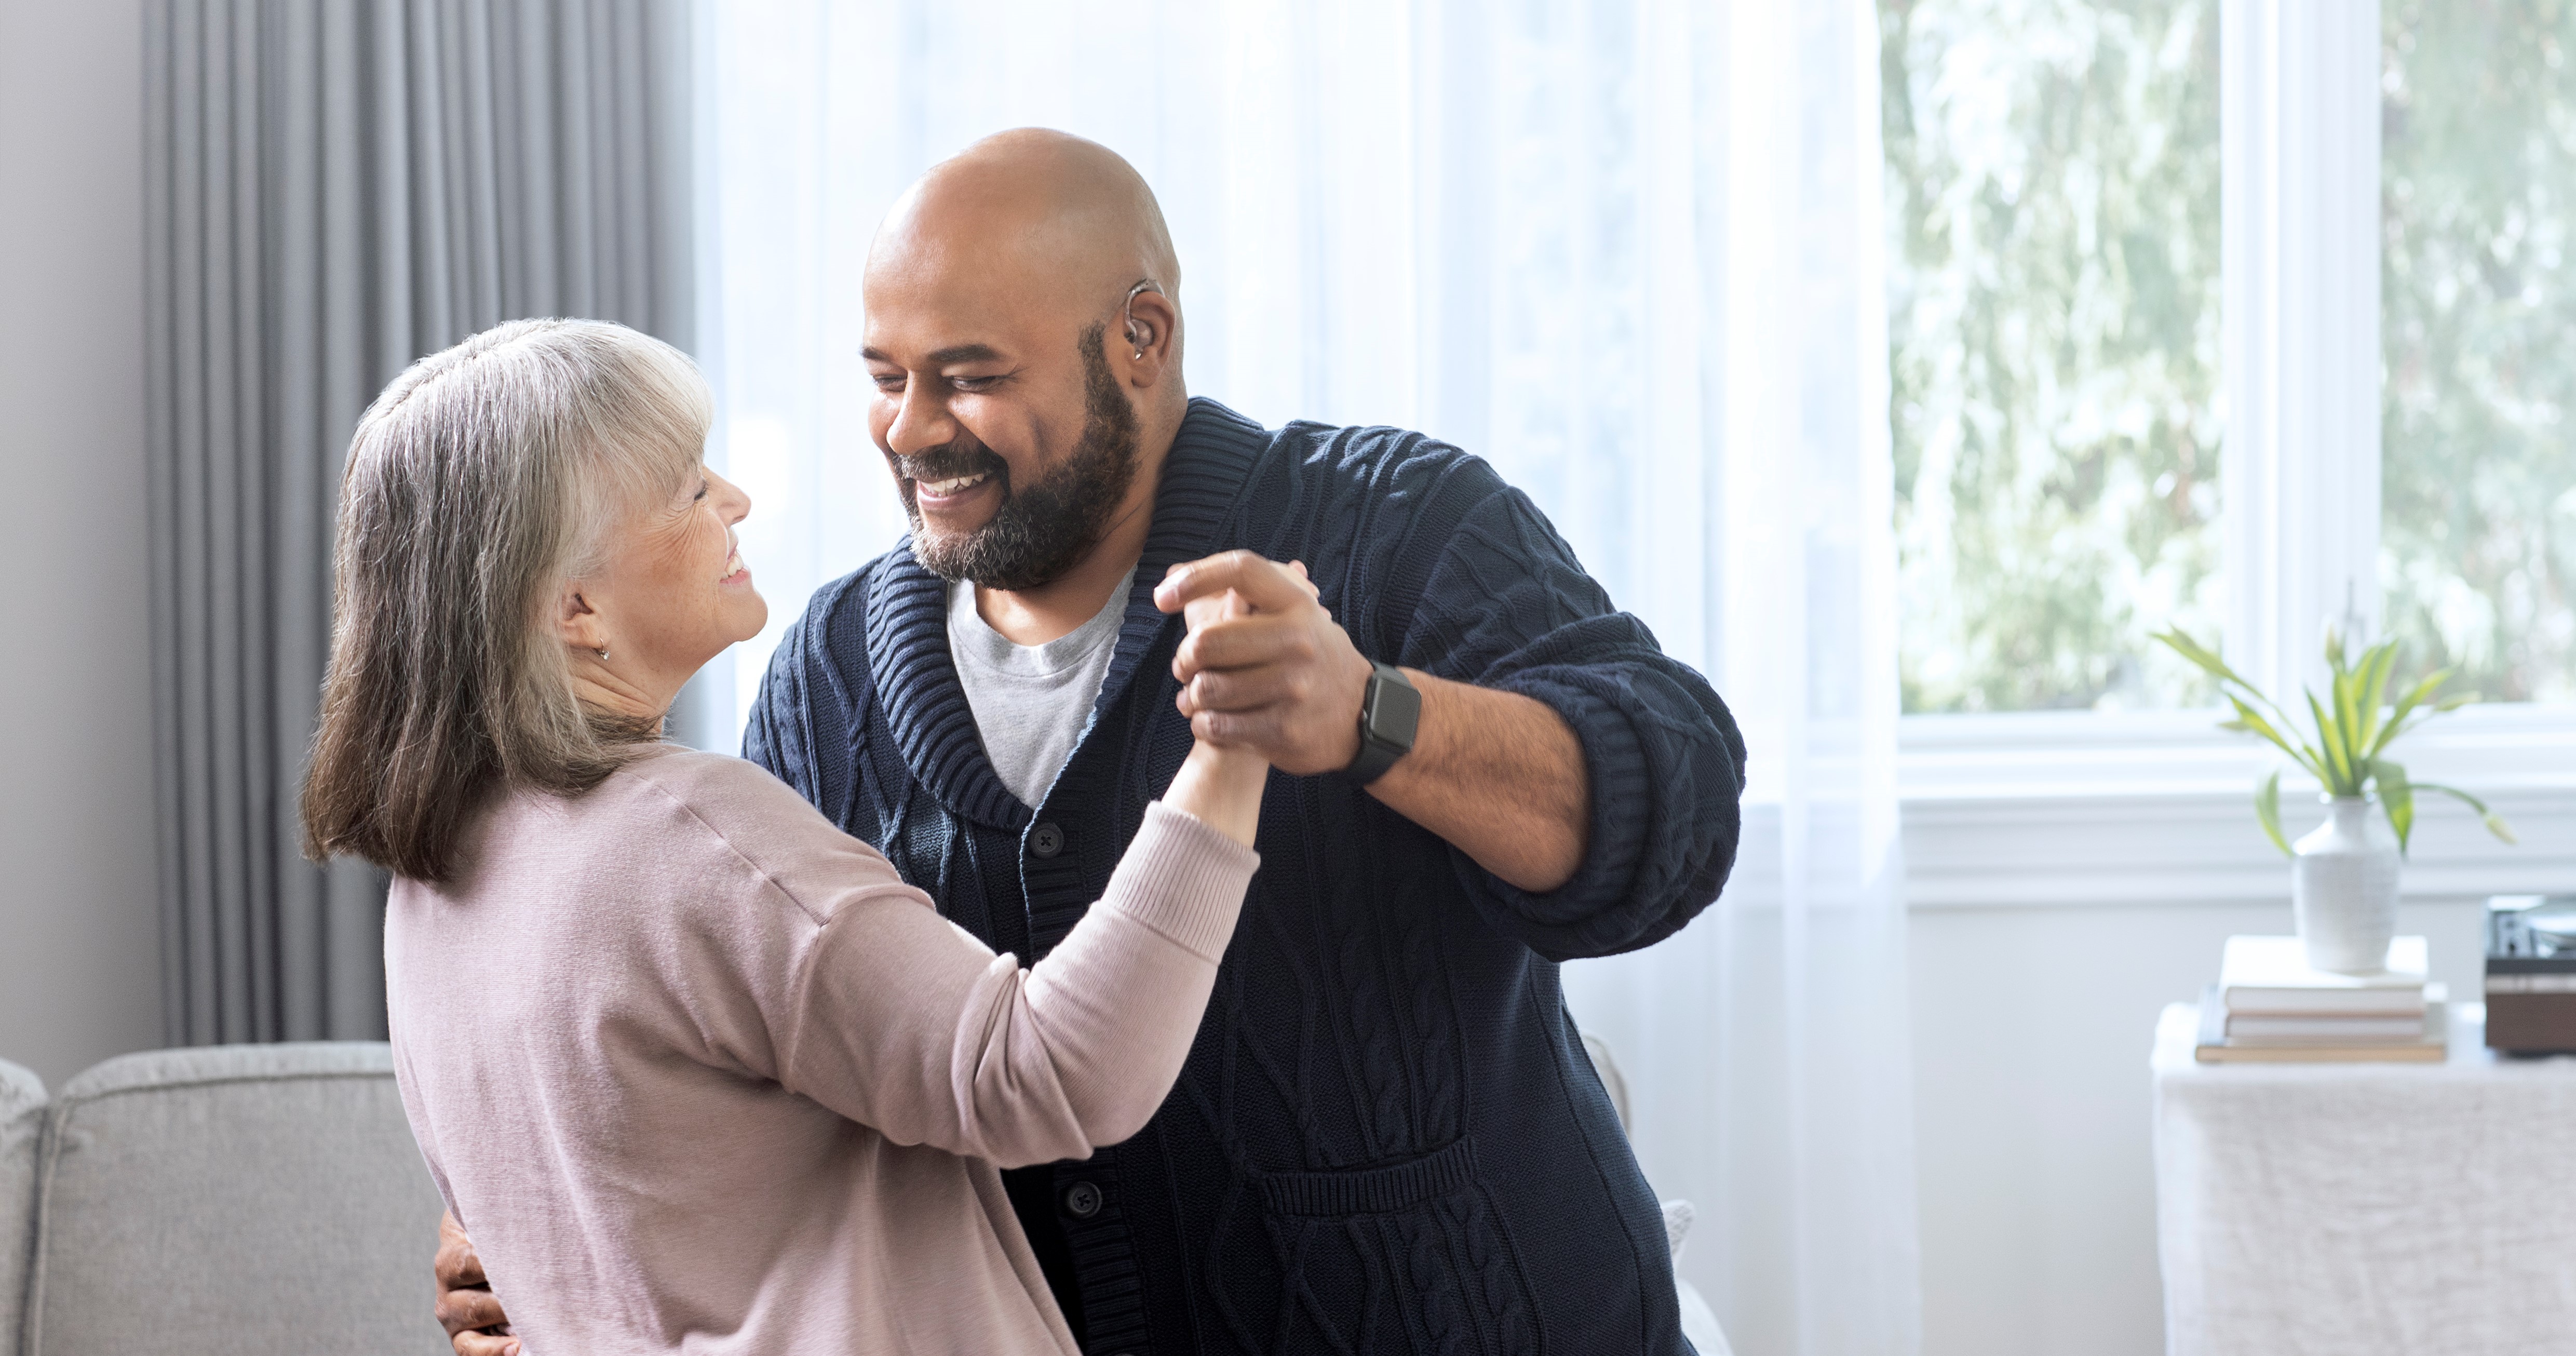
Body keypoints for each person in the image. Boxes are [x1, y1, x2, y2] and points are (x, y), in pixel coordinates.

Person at [441, 130, 1747, 1354]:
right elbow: (772, 1065)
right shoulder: (830, 668)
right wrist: (546, 1225)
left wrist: (1372, 714)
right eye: (886, 380)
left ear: (1140, 336)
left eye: (969, 377)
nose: (909, 431)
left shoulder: (1395, 522)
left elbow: (1676, 807)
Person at [304, 316, 1278, 1353]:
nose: (734, 500)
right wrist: (1233, 743)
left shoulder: (430, 896)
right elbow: (1050, 1072)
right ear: (576, 606)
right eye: (686, 489)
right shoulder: (685, 837)